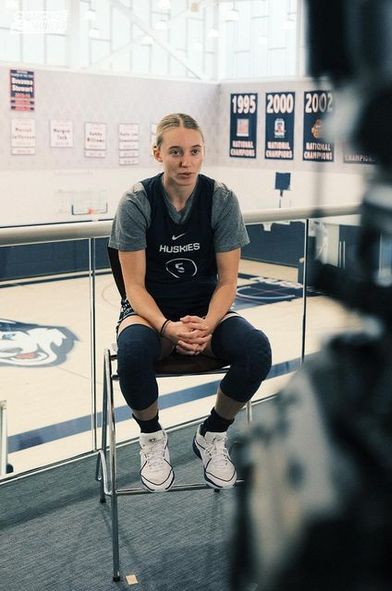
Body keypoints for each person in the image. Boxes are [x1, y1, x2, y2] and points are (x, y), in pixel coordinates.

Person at [109, 113, 272, 492]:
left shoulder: (221, 198)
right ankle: (151, 438)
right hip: (150, 315)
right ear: (158, 154)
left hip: (206, 314)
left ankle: (212, 434)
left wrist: (208, 324)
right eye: (176, 152)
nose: (186, 162)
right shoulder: (137, 201)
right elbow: (132, 287)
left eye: (194, 152)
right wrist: (168, 328)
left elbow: (229, 280)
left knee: (256, 349)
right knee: (131, 352)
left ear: (202, 154)